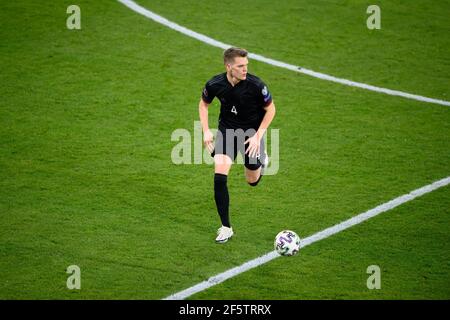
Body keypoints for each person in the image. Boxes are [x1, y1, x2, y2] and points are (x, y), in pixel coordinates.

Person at [199, 47, 276, 243]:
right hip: (227, 131)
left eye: (246, 65)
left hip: (251, 134)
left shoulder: (256, 85)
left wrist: (258, 136)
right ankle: (226, 227)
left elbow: (271, 110)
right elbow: (204, 104)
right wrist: (206, 130)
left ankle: (261, 161)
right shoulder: (215, 83)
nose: (245, 69)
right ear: (229, 66)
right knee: (219, 177)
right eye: (241, 66)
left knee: (252, 181)